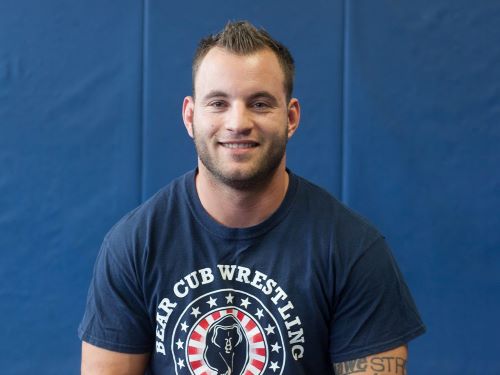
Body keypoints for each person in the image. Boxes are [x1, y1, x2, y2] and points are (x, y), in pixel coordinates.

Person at [79, 21, 425, 375]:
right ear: (190, 117)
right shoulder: (134, 245)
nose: (238, 122)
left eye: (259, 103)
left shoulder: (352, 249)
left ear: (290, 118)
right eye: (218, 103)